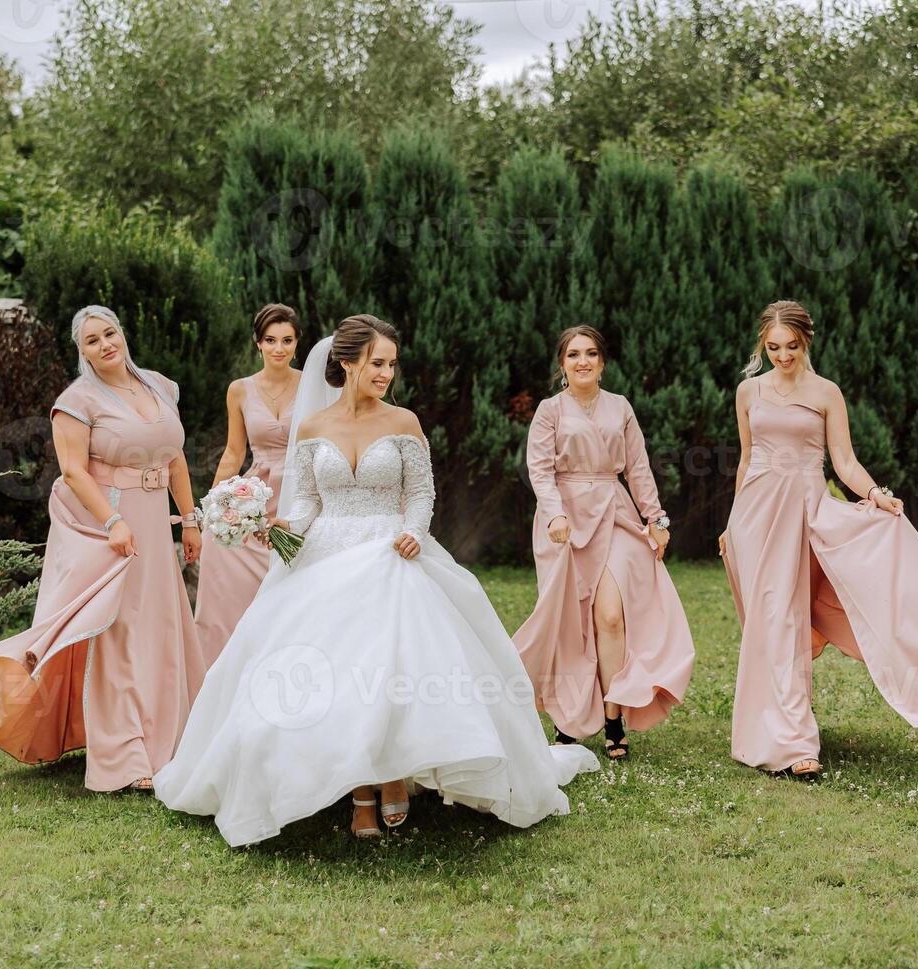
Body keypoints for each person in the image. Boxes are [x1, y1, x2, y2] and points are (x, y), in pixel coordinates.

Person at [154, 315, 599, 846]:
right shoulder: (315, 427)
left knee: (393, 671)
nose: (387, 372)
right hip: (326, 556)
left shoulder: (404, 422)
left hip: (392, 552)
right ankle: (360, 792)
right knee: (334, 676)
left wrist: (413, 530)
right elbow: (308, 504)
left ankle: (395, 773)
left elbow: (421, 493)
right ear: (347, 363)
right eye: (377, 363)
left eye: (391, 363)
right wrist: (278, 529)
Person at [720, 300, 918, 779]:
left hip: (804, 514)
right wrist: (731, 523)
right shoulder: (748, 392)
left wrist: (877, 494)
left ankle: (794, 745)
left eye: (791, 346)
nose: (782, 356)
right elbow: (746, 460)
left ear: (806, 341)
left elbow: (844, 462)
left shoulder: (827, 393)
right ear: (762, 345)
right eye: (773, 348)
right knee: (768, 623)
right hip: (754, 518)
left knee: (788, 618)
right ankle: (769, 735)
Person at [0, 305, 208, 792]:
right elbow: (75, 471)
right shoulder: (76, 401)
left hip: (156, 525)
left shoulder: (161, 387)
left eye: (110, 333)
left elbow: (176, 460)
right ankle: (126, 757)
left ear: (122, 333)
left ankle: (175, 740)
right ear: (82, 353)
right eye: (92, 341)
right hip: (111, 526)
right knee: (118, 634)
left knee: (162, 626)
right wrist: (113, 521)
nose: (105, 344)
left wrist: (189, 520)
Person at [513, 325, 695, 759]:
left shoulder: (621, 407)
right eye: (574, 354)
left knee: (611, 617)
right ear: (562, 364)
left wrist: (655, 517)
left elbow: (637, 467)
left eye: (591, 354)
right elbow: (539, 470)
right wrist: (555, 512)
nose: (583, 362)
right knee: (570, 622)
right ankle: (569, 717)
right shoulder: (549, 410)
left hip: (614, 512)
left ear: (602, 361)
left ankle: (613, 715)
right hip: (566, 521)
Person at [193, 303, 301, 663]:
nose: (279, 349)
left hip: (300, 492)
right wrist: (211, 506)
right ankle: (227, 665)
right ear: (258, 343)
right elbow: (233, 452)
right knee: (221, 562)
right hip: (255, 495)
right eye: (270, 340)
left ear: (297, 342)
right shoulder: (239, 390)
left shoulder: (315, 386)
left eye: (287, 340)